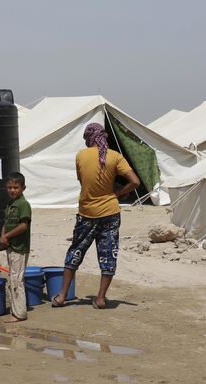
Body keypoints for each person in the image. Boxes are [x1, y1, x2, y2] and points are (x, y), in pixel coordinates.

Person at [51, 122, 140, 309]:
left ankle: (61, 296)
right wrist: (118, 193)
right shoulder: (115, 157)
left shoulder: (81, 156)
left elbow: (81, 180)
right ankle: (100, 298)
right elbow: (135, 182)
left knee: (75, 251)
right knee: (108, 255)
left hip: (87, 213)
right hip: (111, 213)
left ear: (88, 138)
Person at [0, 172, 32, 323]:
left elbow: (23, 226)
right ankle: (15, 310)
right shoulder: (10, 204)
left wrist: (7, 236)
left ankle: (19, 313)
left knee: (17, 280)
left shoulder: (23, 204)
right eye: (10, 187)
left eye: (16, 187)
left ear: (23, 188)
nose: (12, 190)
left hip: (20, 247)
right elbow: (6, 223)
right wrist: (3, 236)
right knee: (13, 278)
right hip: (12, 246)